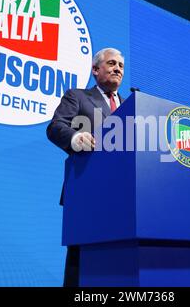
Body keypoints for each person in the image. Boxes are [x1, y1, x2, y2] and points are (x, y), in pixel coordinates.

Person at [46, 47, 125, 287]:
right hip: (86, 192)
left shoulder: (131, 105)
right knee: (81, 266)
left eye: (121, 66)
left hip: (124, 197)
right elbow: (55, 127)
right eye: (112, 63)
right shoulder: (78, 96)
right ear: (95, 69)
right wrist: (75, 138)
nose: (117, 69)